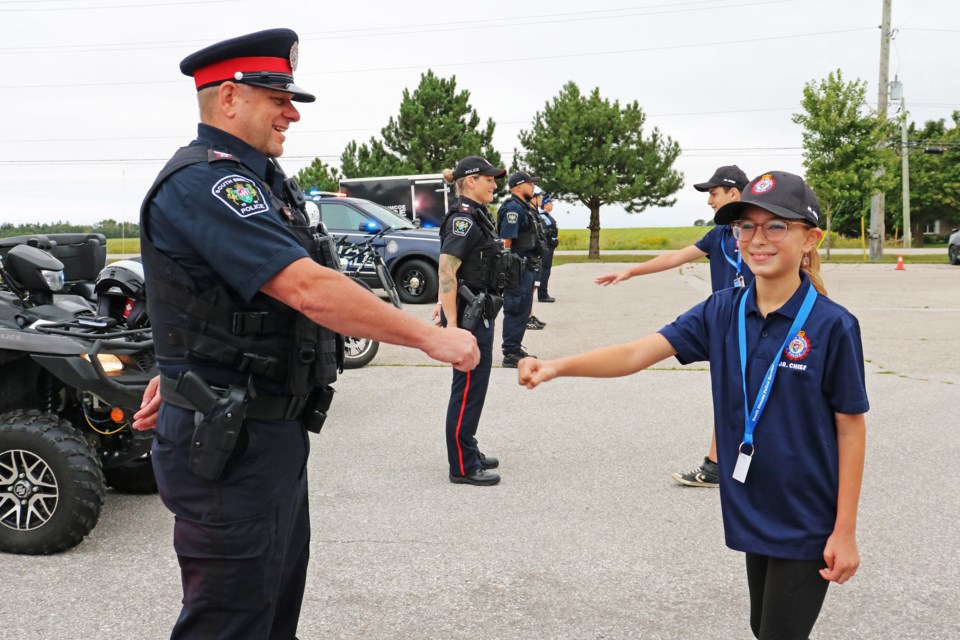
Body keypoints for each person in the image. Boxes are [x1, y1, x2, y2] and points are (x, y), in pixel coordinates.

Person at [133, 29, 479, 640]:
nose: (292, 112)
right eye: (277, 97)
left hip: (265, 432)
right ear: (231, 98)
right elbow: (307, 289)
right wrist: (430, 338)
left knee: (270, 612)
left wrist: (176, 361)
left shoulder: (264, 180)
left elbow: (204, 292)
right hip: (227, 442)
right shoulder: (208, 183)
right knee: (230, 621)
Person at [520, 171, 867, 639]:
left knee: (779, 632)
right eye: (746, 227)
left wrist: (844, 531)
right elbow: (636, 353)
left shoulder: (832, 325)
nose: (757, 239)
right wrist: (557, 366)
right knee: (760, 624)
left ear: (811, 238)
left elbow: (850, 427)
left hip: (805, 515)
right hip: (750, 504)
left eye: (776, 226)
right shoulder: (721, 310)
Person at [595, 165, 752, 488]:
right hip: (727, 323)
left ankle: (720, 465)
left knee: (742, 394)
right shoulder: (719, 235)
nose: (709, 201)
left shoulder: (757, 232)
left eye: (714, 193)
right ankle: (718, 464)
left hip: (756, 324)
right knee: (732, 393)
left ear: (733, 193)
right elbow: (676, 257)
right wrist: (631, 272)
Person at [434, 156, 521, 486]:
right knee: (468, 387)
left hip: (479, 311)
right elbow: (446, 269)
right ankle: (462, 465)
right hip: (467, 319)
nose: (495, 185)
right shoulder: (464, 220)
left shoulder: (478, 217)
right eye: (489, 179)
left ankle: (467, 447)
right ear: (470, 181)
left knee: (476, 386)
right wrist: (452, 326)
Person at [498, 171, 544, 367]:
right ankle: (510, 353)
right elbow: (506, 242)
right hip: (517, 269)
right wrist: (507, 269)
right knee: (516, 309)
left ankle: (515, 348)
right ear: (517, 186)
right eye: (529, 183)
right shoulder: (513, 210)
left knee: (523, 310)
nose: (533, 187)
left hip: (527, 267)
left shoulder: (524, 208)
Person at [526, 186, 547, 331]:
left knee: (533, 288)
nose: (541, 199)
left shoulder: (535, 213)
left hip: (537, 255)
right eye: (539, 197)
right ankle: (527, 316)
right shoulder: (528, 213)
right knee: (529, 289)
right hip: (529, 257)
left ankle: (530, 314)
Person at [537, 193, 559, 303]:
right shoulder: (543, 217)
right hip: (546, 248)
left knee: (547, 270)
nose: (552, 205)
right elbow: (545, 233)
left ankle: (544, 292)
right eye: (550, 203)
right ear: (545, 204)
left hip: (550, 247)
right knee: (544, 270)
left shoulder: (547, 216)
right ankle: (542, 295)